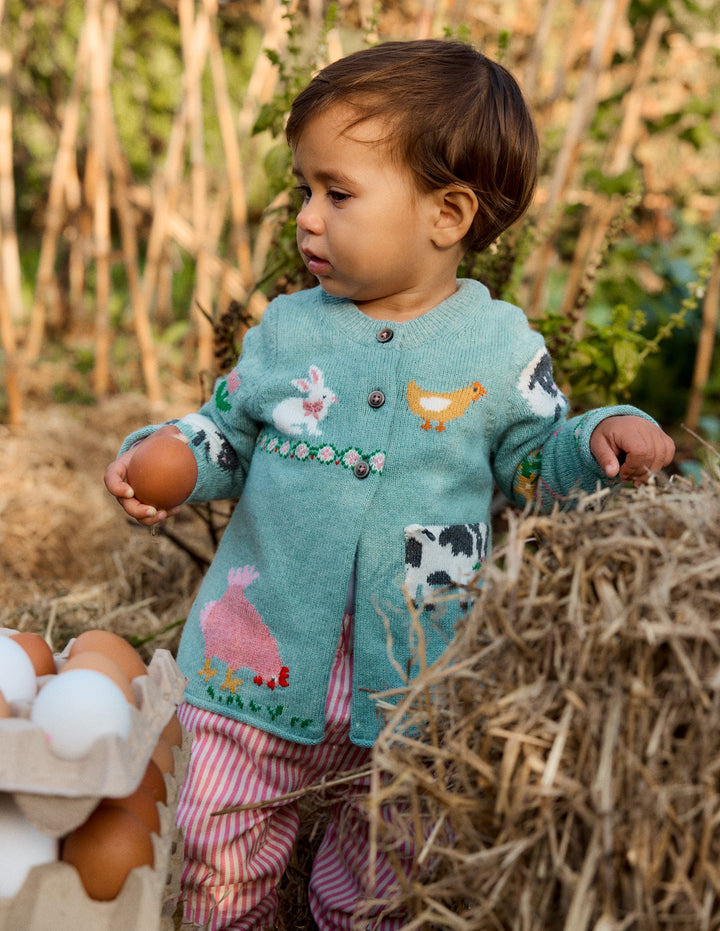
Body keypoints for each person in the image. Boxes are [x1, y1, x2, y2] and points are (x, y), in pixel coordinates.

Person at [104, 38, 675, 931]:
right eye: (303, 189)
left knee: (388, 879)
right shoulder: (288, 332)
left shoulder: (499, 352)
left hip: (409, 689)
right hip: (251, 671)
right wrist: (166, 457)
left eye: (337, 192)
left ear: (446, 215)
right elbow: (227, 432)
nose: (305, 217)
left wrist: (598, 436)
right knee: (210, 849)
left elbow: (536, 464)